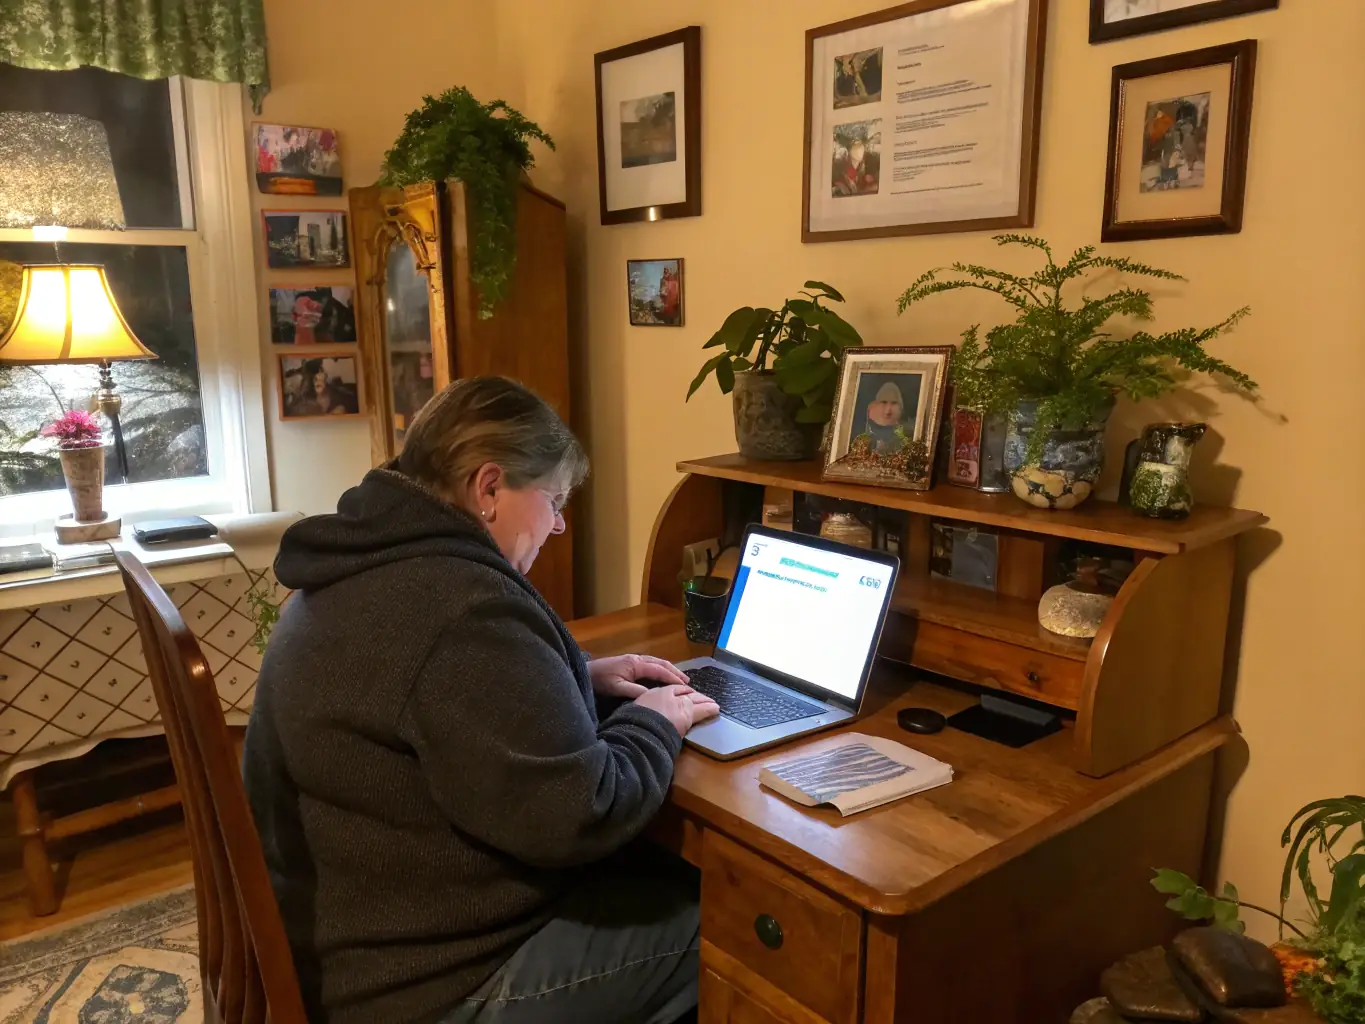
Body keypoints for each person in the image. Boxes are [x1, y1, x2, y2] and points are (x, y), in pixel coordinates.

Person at [244, 376, 719, 1024]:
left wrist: (575, 674)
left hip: (345, 933)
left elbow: (436, 687)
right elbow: (581, 813)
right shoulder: (460, 607)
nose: (557, 525)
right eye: (552, 500)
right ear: (488, 487)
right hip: (419, 987)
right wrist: (653, 721)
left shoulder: (374, 558)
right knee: (723, 932)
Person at [864, 380, 906, 452]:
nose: (887, 411)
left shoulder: (904, 445)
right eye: (883, 402)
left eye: (894, 403)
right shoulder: (862, 443)